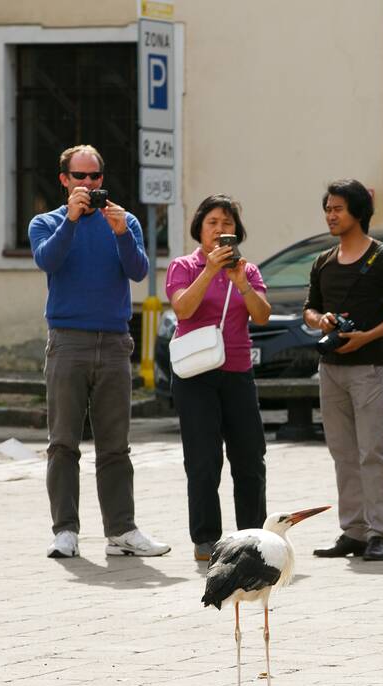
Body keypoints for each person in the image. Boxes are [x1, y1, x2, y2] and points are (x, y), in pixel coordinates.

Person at [29, 144, 170, 559]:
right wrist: (71, 220)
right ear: (64, 181)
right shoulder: (47, 222)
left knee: (115, 445)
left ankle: (122, 531)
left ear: (102, 180)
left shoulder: (124, 221)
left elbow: (139, 271)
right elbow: (47, 260)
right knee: (63, 442)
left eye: (94, 178)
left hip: (112, 342)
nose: (88, 185)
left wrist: (123, 233)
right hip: (67, 340)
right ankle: (65, 531)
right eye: (80, 178)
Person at [305, 179, 383, 563]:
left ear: (358, 212)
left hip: (371, 367)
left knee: (373, 451)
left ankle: (378, 532)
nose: (331, 215)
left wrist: (367, 336)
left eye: (338, 208)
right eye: (328, 208)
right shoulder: (324, 260)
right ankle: (351, 531)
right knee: (342, 452)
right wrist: (321, 321)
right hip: (331, 368)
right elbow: (310, 308)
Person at [166, 194, 273, 562]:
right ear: (200, 228)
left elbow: (261, 315)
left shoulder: (250, 270)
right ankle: (206, 538)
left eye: (227, 224)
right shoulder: (183, 266)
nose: (220, 230)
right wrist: (210, 271)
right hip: (196, 374)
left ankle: (252, 536)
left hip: (237, 372)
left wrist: (241, 283)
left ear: (236, 232)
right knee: (203, 457)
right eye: (213, 223)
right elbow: (183, 308)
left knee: (249, 457)